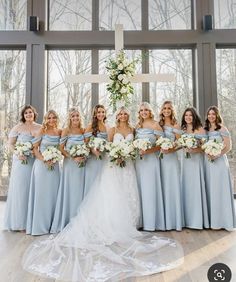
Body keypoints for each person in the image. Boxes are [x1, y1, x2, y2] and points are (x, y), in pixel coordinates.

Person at [22, 106, 183, 282]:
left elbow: (135, 144)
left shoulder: (132, 129)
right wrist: (115, 154)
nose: (122, 115)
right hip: (113, 164)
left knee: (129, 193)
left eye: (124, 113)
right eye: (120, 113)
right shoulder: (110, 129)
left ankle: (130, 222)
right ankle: (110, 223)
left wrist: (126, 153)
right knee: (111, 194)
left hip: (129, 165)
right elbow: (109, 145)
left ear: (128, 115)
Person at [4, 105, 41, 231]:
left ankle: (31, 221)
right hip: (20, 162)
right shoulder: (18, 127)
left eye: (30, 112)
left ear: (34, 114)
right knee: (21, 190)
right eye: (26, 113)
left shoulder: (39, 127)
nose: (28, 115)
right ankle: (19, 223)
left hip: (33, 161)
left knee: (32, 189)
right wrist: (18, 153)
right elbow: (10, 144)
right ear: (23, 115)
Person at [26, 110, 61, 235]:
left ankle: (52, 224)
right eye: (49, 118)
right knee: (41, 195)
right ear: (45, 119)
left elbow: (62, 148)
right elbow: (34, 148)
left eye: (54, 117)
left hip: (55, 167)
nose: (51, 120)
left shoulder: (59, 132)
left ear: (57, 119)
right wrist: (44, 160)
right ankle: (39, 226)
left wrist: (56, 158)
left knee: (53, 195)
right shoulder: (42, 131)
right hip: (41, 166)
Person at [50, 108, 85, 233]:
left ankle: (79, 219)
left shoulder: (83, 130)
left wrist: (82, 155)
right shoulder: (66, 130)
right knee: (70, 190)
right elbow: (61, 148)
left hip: (81, 165)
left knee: (79, 191)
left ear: (80, 117)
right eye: (73, 116)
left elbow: (86, 145)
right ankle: (68, 219)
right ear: (69, 118)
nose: (75, 118)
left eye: (77, 116)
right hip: (70, 165)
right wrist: (72, 157)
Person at [204, 106, 236, 230]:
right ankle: (212, 221)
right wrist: (208, 153)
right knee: (210, 189)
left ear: (217, 115)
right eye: (209, 114)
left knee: (219, 189)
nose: (211, 116)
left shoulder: (222, 128)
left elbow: (228, 147)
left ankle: (223, 221)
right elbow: (203, 144)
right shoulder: (206, 129)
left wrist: (217, 154)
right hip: (208, 162)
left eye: (213, 114)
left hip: (220, 162)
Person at [135, 102, 165, 231]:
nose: (144, 112)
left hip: (151, 161)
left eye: (146, 110)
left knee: (150, 190)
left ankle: (152, 222)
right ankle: (141, 221)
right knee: (140, 191)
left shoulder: (155, 125)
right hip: (139, 162)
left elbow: (161, 145)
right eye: (141, 110)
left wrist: (148, 151)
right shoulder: (137, 125)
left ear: (150, 111)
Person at [180, 107, 209, 229]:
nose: (188, 117)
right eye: (186, 115)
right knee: (186, 189)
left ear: (194, 117)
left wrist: (194, 149)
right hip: (185, 162)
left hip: (196, 162)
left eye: (190, 115)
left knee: (196, 188)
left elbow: (205, 147)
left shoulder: (200, 129)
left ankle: (197, 220)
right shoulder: (183, 129)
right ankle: (186, 220)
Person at [158, 101, 183, 231]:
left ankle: (174, 221)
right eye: (164, 108)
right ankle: (163, 220)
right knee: (161, 187)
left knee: (171, 187)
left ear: (172, 110)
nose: (166, 110)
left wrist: (171, 149)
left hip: (171, 159)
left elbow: (180, 143)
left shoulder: (175, 125)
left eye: (169, 108)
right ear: (161, 110)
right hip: (159, 159)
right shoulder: (159, 124)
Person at [83, 104, 108, 196]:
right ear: (95, 114)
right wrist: (93, 150)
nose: (101, 114)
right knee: (92, 183)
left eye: (103, 112)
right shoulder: (90, 127)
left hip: (104, 158)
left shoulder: (106, 126)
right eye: (98, 112)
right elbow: (86, 143)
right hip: (93, 159)